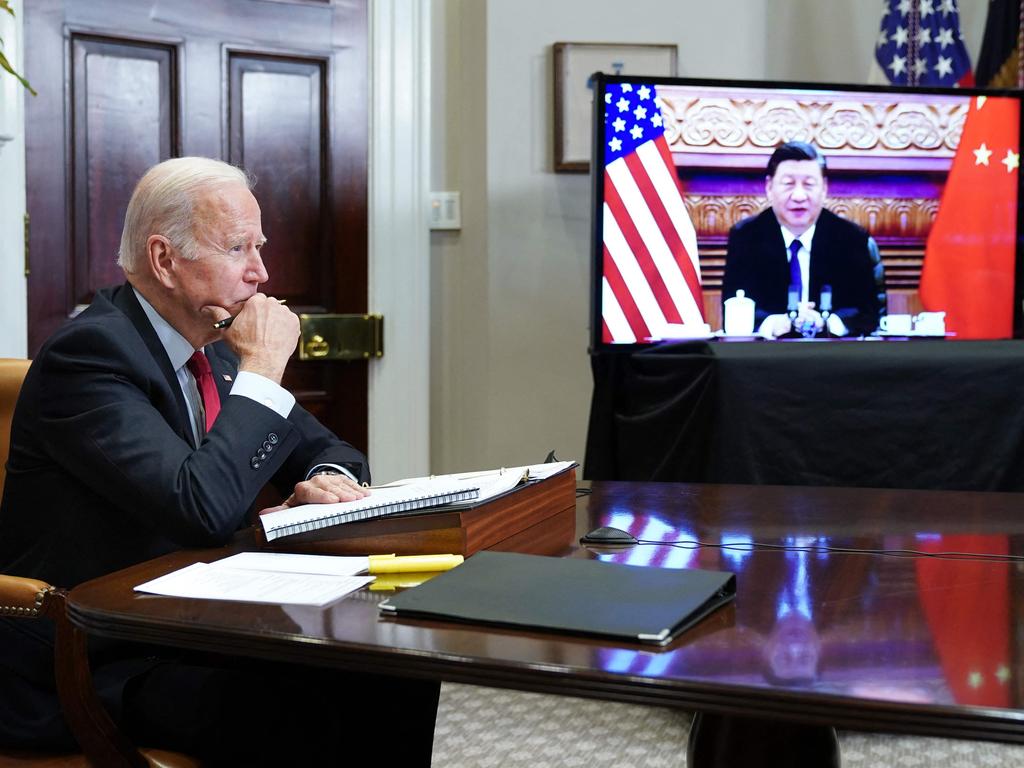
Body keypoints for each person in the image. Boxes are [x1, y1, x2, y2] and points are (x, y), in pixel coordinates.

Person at [0, 157, 439, 764]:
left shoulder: (218, 352)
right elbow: (198, 508)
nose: (262, 272)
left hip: (193, 628)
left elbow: (333, 452)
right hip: (94, 654)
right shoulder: (91, 356)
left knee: (395, 669)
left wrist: (326, 482)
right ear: (164, 260)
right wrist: (263, 367)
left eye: (258, 246)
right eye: (238, 248)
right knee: (296, 708)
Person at [721, 142, 880, 338]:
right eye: (788, 184)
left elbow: (867, 312)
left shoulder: (850, 238)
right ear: (769, 187)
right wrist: (774, 323)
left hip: (835, 357)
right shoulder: (747, 237)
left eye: (809, 184)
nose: (798, 196)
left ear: (824, 189)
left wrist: (827, 323)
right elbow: (735, 306)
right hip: (768, 357)